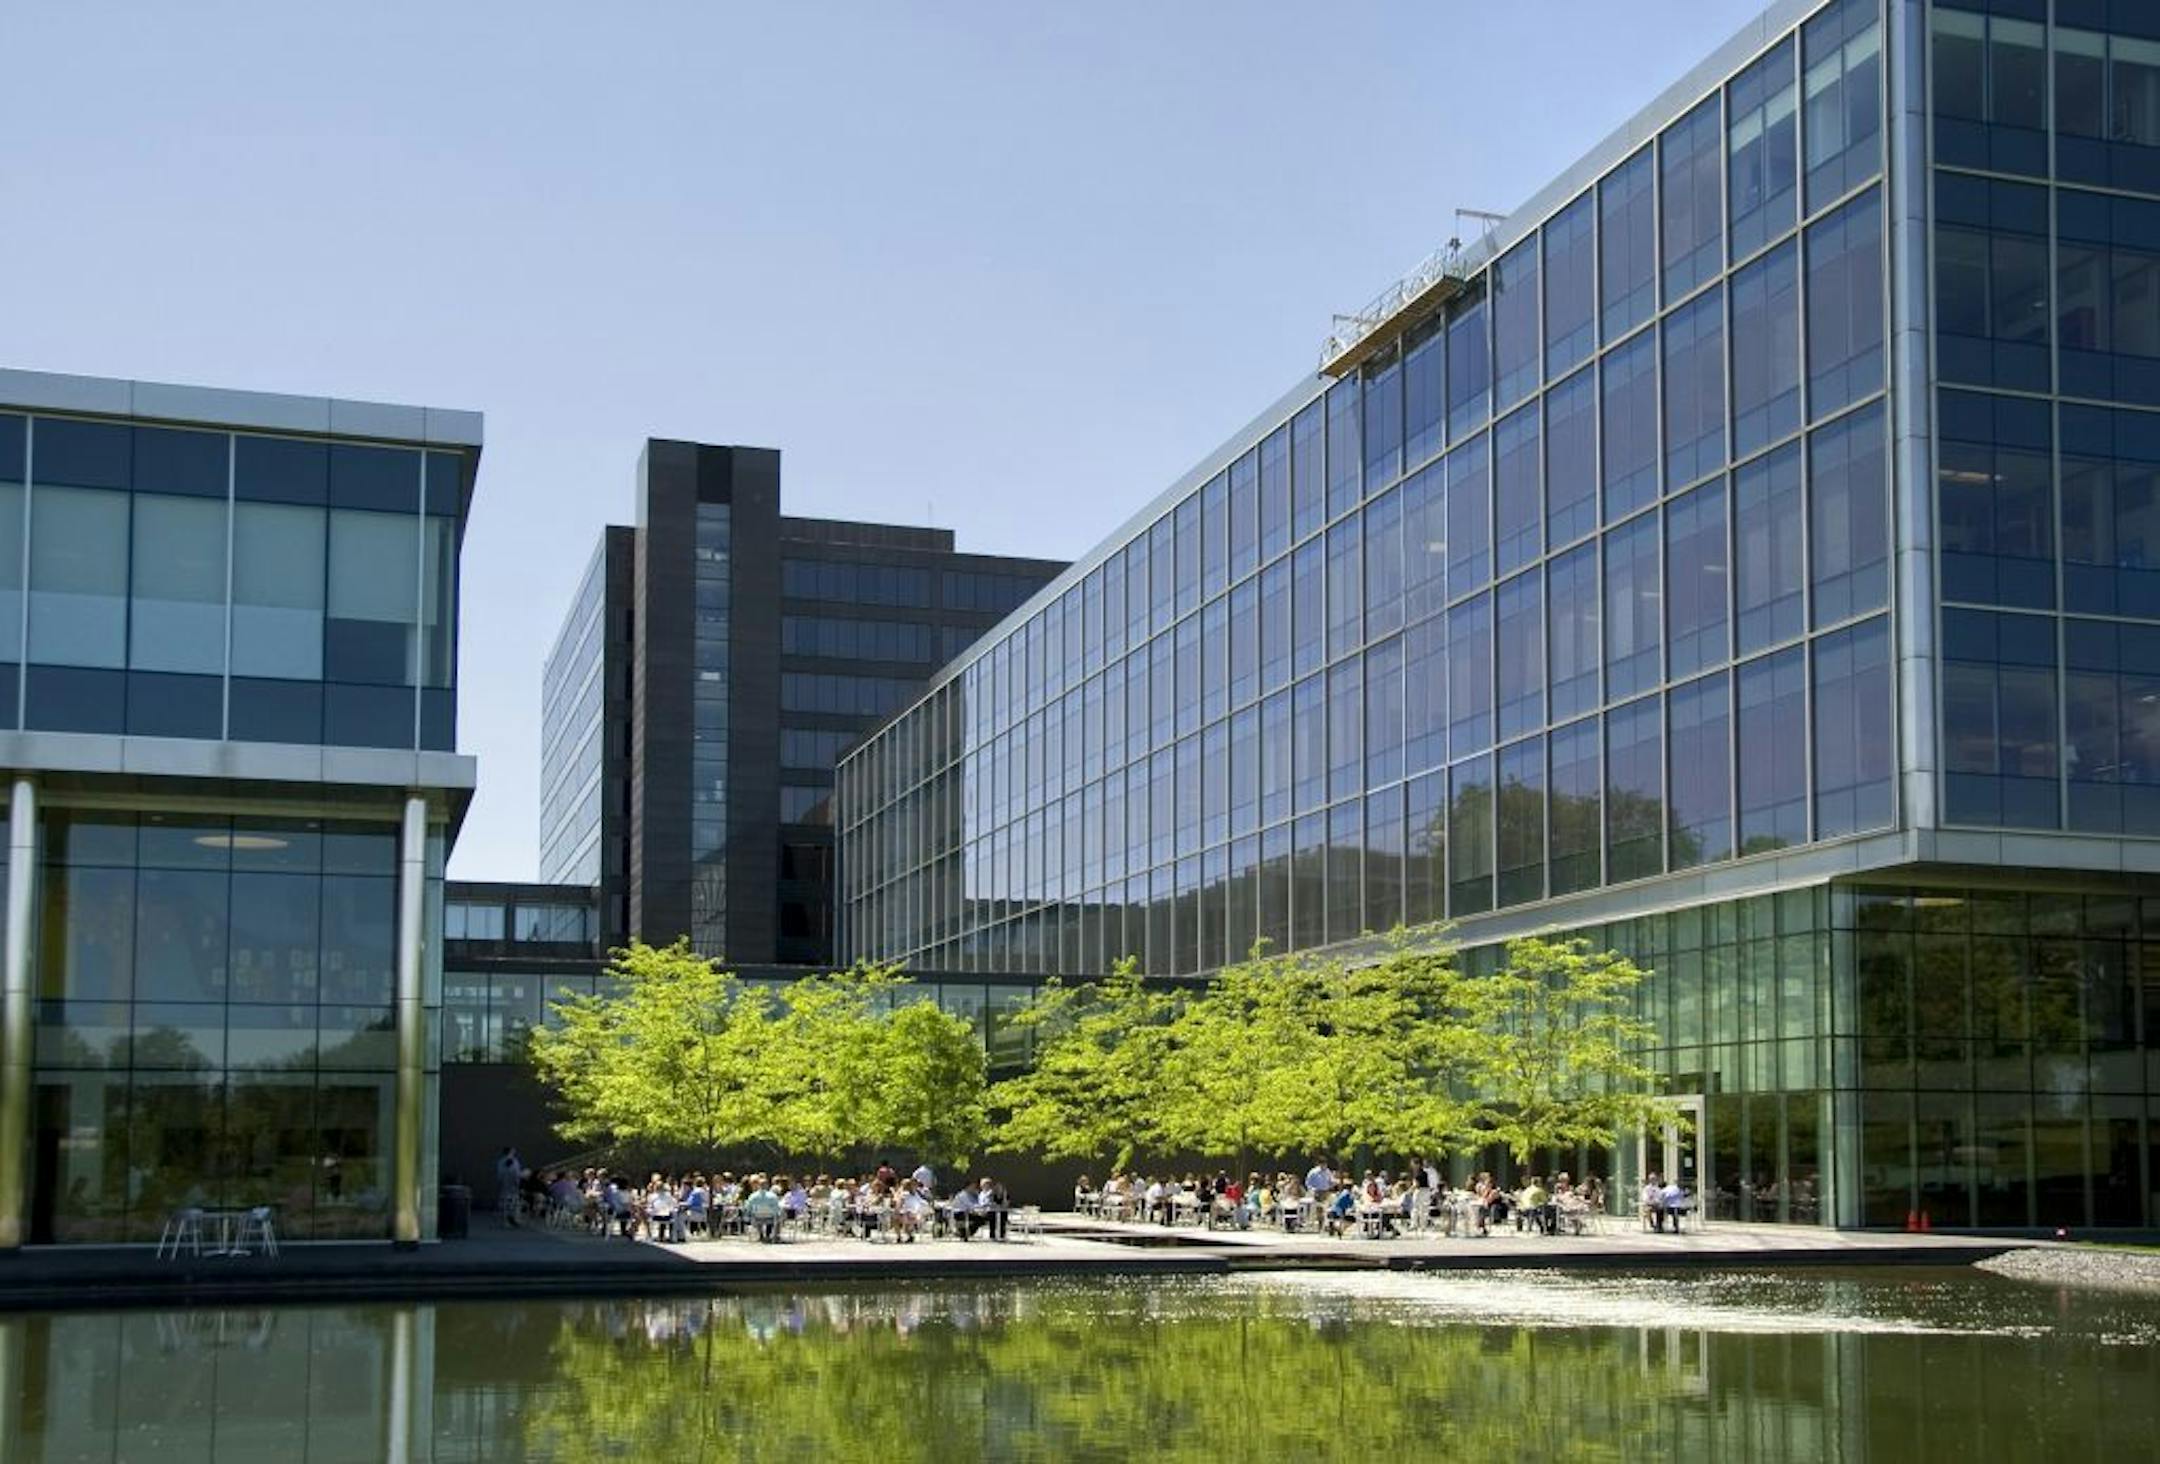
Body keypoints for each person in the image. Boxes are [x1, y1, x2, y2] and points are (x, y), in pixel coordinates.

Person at [494, 1146, 525, 1227]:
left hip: (506, 1185)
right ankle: (510, 1219)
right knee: (512, 1202)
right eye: (513, 1151)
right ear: (510, 1152)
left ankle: (509, 1219)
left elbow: (499, 1174)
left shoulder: (501, 1162)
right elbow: (515, 1173)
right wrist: (519, 1179)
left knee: (507, 1202)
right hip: (511, 1184)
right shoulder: (514, 1162)